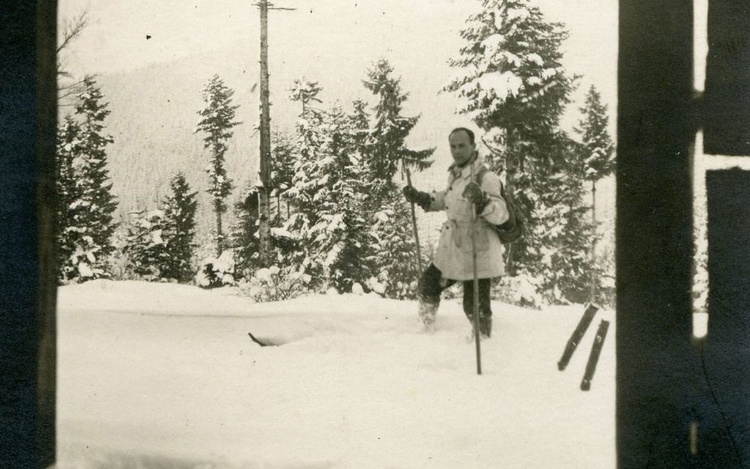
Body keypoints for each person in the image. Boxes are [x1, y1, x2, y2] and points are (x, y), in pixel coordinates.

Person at [402, 127, 509, 338]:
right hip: (454, 249)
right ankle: (425, 330)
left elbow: (501, 214)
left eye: (462, 146)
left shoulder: (485, 178)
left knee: (474, 306)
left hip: (478, 252)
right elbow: (448, 199)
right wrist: (424, 198)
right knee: (428, 283)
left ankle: (483, 342)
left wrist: (483, 202)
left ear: (473, 147)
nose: (457, 151)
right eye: (453, 146)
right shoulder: (456, 174)